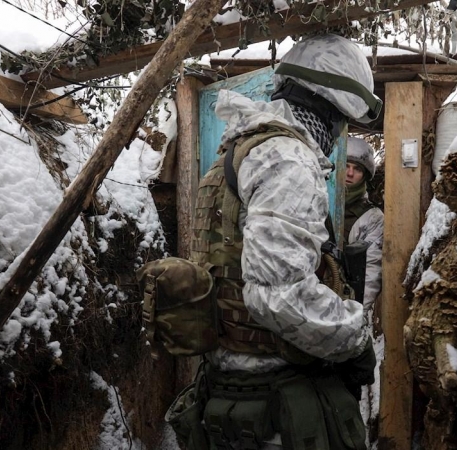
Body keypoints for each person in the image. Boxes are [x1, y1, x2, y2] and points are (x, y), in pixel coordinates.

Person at [175, 34, 383, 450]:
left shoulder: (237, 151)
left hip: (230, 387)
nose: (338, 133)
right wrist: (354, 337)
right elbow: (277, 295)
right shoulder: (285, 159)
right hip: (273, 400)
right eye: (341, 121)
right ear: (329, 109)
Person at [344, 137, 384, 315]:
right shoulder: (317, 200)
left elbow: (370, 273)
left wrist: (357, 316)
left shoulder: (372, 217)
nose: (349, 173)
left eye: (357, 169)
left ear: (364, 176)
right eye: (345, 165)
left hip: (344, 301)